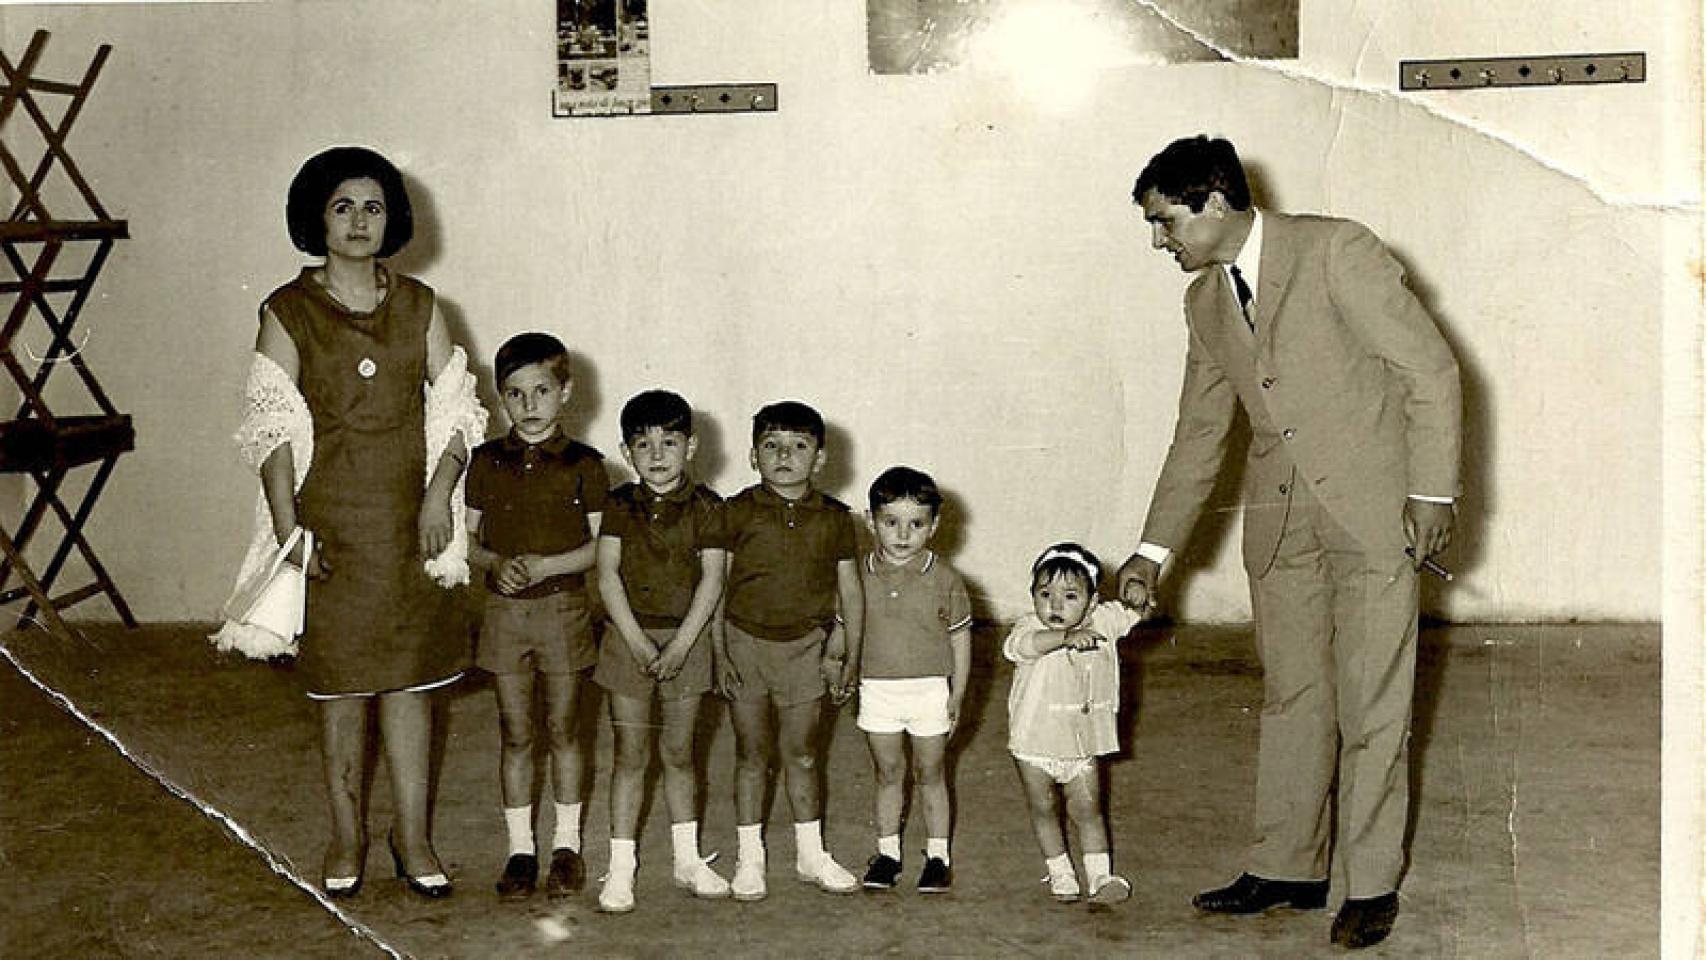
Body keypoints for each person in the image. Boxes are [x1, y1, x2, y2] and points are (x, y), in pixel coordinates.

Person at [1115, 135, 1461, 949]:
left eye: (1165, 222)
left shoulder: (1335, 248)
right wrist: (1153, 552)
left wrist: (1432, 492)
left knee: (1374, 705)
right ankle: (1289, 867)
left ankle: (1370, 883)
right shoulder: (1205, 302)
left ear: (1212, 202)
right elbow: (1200, 434)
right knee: (1294, 696)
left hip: (1377, 515)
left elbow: (1431, 370)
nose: (1158, 241)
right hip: (1279, 527)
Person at [241, 146, 487, 900]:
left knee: (413, 687)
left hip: (412, 526)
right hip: (330, 529)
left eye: (373, 207)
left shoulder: (421, 305)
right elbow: (271, 427)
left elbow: (455, 413)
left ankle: (411, 837)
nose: (358, 221)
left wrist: (436, 500)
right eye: (342, 207)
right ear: (317, 217)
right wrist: (290, 533)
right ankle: (346, 834)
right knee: (342, 694)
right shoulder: (286, 310)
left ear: (393, 218)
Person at [464, 332, 608, 901]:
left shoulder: (587, 465)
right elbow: (465, 542)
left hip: (564, 611)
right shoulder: (485, 462)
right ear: (502, 399)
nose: (529, 405)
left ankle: (566, 844)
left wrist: (547, 566)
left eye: (541, 390)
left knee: (565, 728)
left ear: (565, 393)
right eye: (515, 394)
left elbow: (601, 548)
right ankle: (521, 849)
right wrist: (494, 563)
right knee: (516, 731)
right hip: (504, 612)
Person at [713, 401, 864, 901]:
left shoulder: (837, 519)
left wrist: (847, 656)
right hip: (744, 646)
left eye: (799, 446)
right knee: (752, 754)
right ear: (754, 455)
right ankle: (749, 857)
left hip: (805, 652)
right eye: (771, 445)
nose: (785, 456)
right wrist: (720, 652)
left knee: (801, 756)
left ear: (819, 458)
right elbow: (716, 586)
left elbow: (851, 595)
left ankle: (810, 854)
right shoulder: (734, 511)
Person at [592, 389, 731, 913]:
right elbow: (607, 575)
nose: (657, 453)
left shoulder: (708, 508)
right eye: (643, 443)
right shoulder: (619, 504)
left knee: (678, 754)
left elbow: (712, 580)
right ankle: (622, 866)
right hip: (629, 641)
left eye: (669, 441)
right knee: (630, 757)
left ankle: (687, 858)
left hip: (685, 644)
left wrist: (680, 647)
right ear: (627, 452)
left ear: (690, 446)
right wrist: (635, 640)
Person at [854, 466, 972, 894]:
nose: (903, 534)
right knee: (888, 772)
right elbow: (843, 633)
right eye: (890, 523)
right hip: (878, 691)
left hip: (929, 692)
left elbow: (960, 640)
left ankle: (938, 857)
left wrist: (957, 692)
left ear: (935, 526)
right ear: (871, 520)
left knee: (931, 772)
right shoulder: (857, 575)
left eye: (916, 524)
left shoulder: (946, 579)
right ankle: (887, 854)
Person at [1005, 543, 1142, 905]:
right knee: (1044, 808)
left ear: (1093, 601)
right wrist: (1065, 638)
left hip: (1080, 745)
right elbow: (1027, 646)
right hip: (1033, 743)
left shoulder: (1104, 622)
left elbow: (1134, 611)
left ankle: (1101, 876)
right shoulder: (1028, 628)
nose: (1054, 606)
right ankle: (1060, 870)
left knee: (1087, 809)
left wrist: (1139, 594)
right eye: (1044, 594)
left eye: (1070, 596)